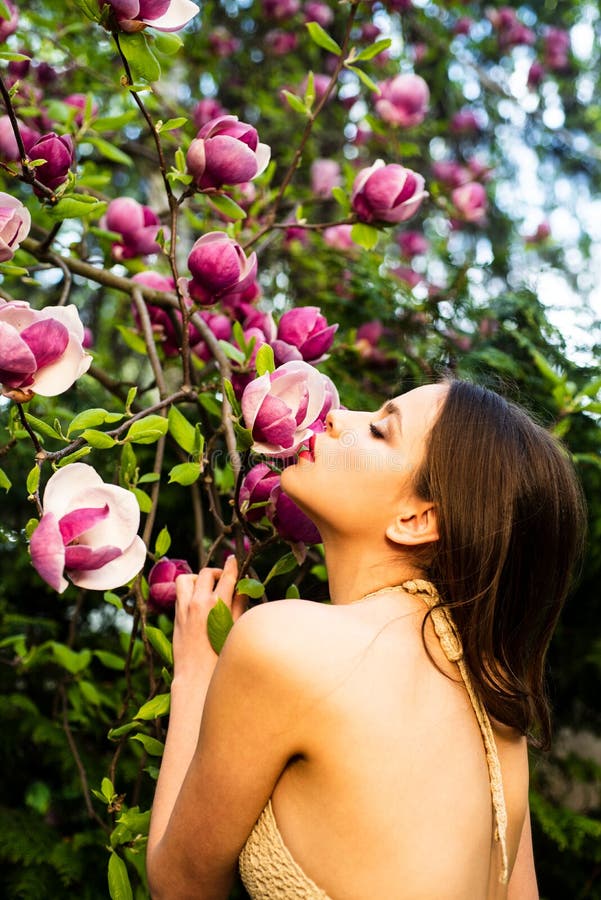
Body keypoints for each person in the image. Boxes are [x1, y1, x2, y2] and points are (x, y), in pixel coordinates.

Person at [146, 379, 586, 900]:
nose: (335, 415)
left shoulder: (284, 646)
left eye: (379, 431)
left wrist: (196, 673)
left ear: (416, 519)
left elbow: (179, 886)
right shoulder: (496, 714)